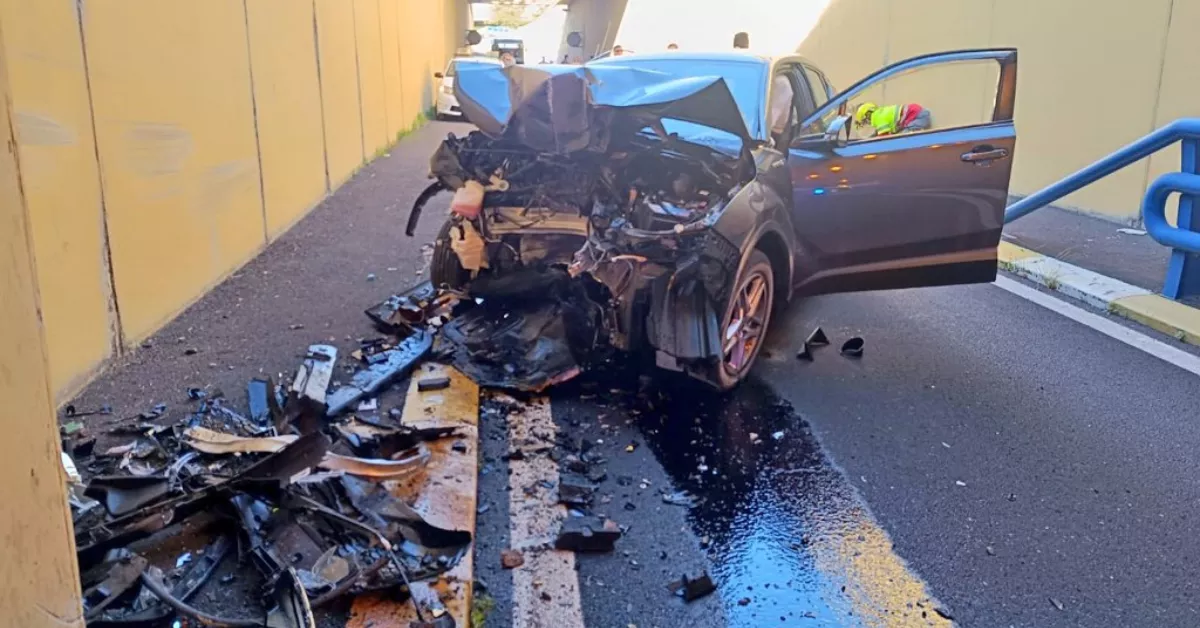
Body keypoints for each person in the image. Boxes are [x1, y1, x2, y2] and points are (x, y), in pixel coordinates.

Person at [853, 102, 931, 136]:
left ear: (868, 114)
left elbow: (883, 138)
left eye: (865, 120)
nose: (867, 123)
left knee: (902, 139)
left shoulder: (878, 118)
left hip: (918, 117)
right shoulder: (880, 113)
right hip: (919, 113)